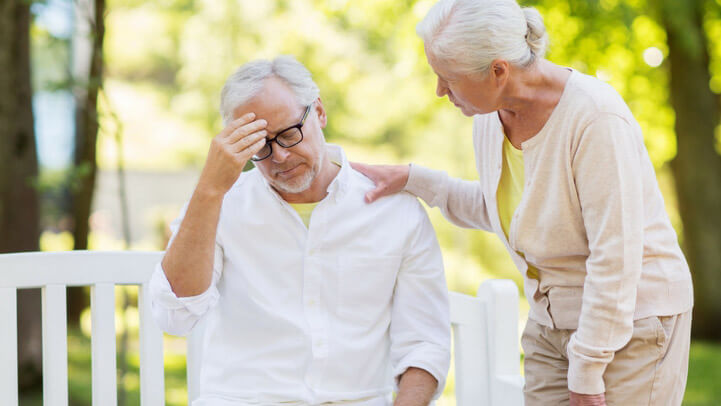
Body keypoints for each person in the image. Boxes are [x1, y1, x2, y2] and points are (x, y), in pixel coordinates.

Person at [352, 0, 693, 405]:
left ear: (499, 71)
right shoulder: (490, 115)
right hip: (552, 321)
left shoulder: (595, 118)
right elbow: (514, 213)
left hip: (631, 320)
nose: (440, 90)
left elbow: (615, 256)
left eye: (449, 78)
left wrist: (587, 369)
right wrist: (415, 180)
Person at [149, 56, 450, 406]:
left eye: (289, 134)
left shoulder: (395, 211)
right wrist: (209, 191)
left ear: (318, 112)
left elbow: (425, 345)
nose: (278, 156)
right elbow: (175, 316)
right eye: (259, 146)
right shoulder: (217, 203)